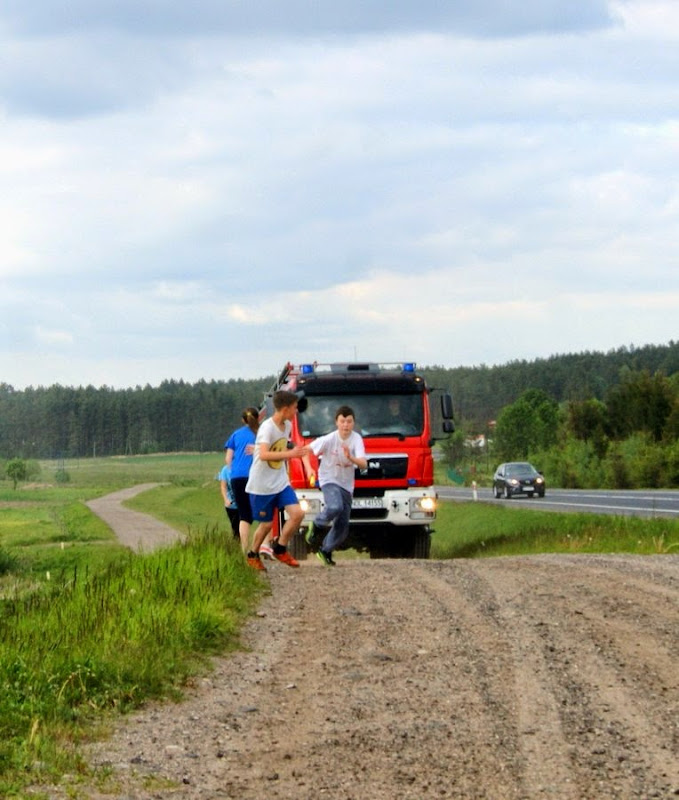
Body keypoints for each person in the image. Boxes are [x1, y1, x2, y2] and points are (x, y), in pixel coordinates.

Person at [245, 390, 310, 571]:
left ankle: (280, 548)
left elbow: (285, 444)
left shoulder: (287, 425)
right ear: (285, 409)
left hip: (280, 481)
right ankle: (252, 554)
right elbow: (264, 454)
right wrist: (290, 454)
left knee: (297, 513)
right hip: (262, 485)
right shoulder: (267, 427)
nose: (296, 411)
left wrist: (297, 450)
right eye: (294, 408)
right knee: (266, 524)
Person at [305, 405, 367, 566]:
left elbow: (363, 464)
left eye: (349, 422)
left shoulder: (356, 439)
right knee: (335, 506)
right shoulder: (329, 439)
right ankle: (317, 524)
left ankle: (325, 550)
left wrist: (350, 457)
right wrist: (309, 469)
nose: (346, 425)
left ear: (353, 423)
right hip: (328, 479)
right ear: (336, 423)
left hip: (346, 485)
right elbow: (304, 450)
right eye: (342, 421)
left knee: (342, 524)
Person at [224, 407, 273, 558]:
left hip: (237, 478)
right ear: (259, 418)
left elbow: (228, 459)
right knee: (263, 512)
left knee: (244, 515)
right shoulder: (262, 433)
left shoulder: (236, 434)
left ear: (242, 420)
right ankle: (264, 545)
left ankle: (244, 549)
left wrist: (235, 470)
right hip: (256, 476)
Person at [218, 463, 240, 540]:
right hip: (231, 505)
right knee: (235, 528)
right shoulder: (225, 470)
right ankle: (236, 545)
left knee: (242, 526)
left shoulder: (242, 468)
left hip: (242, 504)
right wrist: (226, 499)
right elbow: (223, 487)